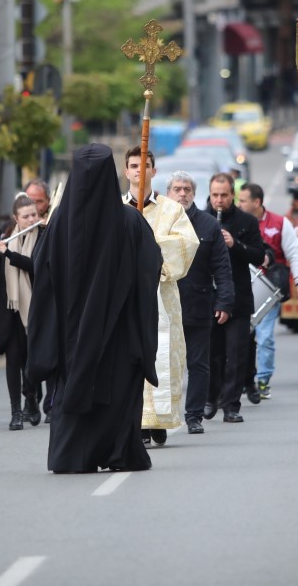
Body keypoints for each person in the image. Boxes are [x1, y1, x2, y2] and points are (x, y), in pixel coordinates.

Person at [26, 144, 162, 473]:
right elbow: (150, 269)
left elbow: (40, 273)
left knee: (75, 387)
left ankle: (73, 456)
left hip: (70, 338)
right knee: (116, 396)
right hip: (118, 335)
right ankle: (117, 454)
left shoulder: (58, 224)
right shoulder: (130, 221)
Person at [123, 148, 198, 446]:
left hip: (162, 296)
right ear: (126, 171)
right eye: (133, 166)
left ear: (154, 171)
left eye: (145, 165)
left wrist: (148, 250)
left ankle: (161, 419)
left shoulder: (171, 210)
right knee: (130, 356)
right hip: (126, 299)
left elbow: (186, 245)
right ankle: (138, 420)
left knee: (165, 354)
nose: (139, 171)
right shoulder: (116, 208)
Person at [166, 171, 233, 435]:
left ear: (194, 193)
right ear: (169, 193)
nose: (182, 193)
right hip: (164, 307)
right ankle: (163, 414)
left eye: (187, 189)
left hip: (198, 304)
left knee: (199, 364)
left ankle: (193, 415)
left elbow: (222, 267)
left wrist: (225, 301)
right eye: (177, 189)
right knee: (165, 364)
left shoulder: (208, 225)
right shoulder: (157, 222)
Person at [204, 172, 267, 423]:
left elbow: (258, 255)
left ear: (232, 195)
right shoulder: (200, 218)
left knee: (237, 353)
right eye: (214, 195)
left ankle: (231, 405)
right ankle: (211, 398)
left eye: (224, 195)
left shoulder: (246, 221)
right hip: (210, 296)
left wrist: (235, 244)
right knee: (212, 353)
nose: (219, 200)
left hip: (238, 297)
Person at [237, 182, 298, 400]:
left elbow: (295, 253)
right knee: (242, 337)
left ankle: (263, 379)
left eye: (243, 200)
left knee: (265, 335)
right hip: (241, 287)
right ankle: (242, 379)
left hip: (268, 290)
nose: (239, 204)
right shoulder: (236, 223)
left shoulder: (279, 223)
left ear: (256, 202)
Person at [0, 194, 42, 430]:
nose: (31, 220)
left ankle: (31, 399)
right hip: (10, 307)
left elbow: (35, 265)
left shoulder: (43, 237)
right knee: (13, 359)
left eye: (34, 215)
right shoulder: (6, 238)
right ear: (16, 218)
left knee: (31, 360)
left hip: (34, 307)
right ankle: (15, 411)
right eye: (25, 216)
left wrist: (9, 254)